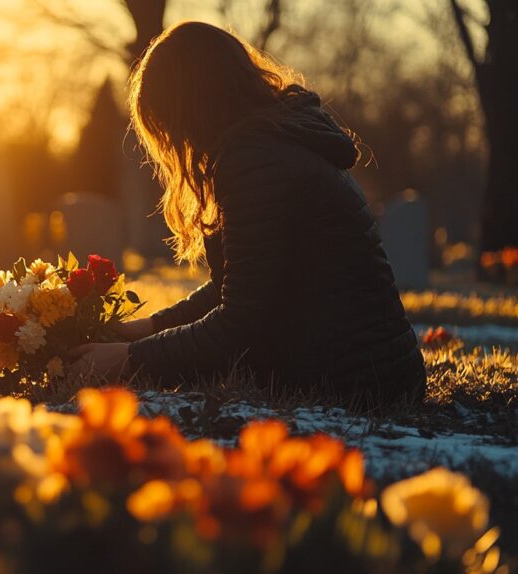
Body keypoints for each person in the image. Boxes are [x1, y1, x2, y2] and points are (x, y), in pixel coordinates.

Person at [69, 21, 426, 404]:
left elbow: (239, 325)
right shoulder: (272, 142)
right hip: (374, 372)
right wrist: (147, 328)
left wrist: (128, 359)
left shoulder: (254, 159)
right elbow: (240, 286)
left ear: (189, 108)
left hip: (355, 382)